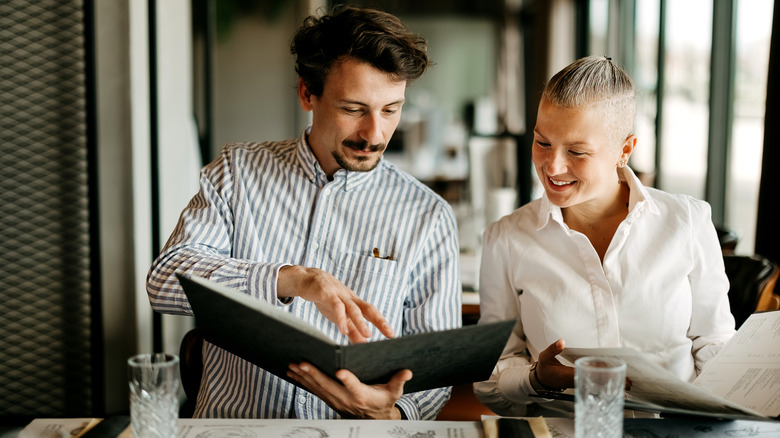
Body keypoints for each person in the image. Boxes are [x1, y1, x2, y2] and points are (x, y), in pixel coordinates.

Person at [146, 5, 461, 420]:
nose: (375, 133)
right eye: (353, 109)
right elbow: (165, 282)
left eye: (390, 109)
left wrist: (394, 414)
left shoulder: (429, 215)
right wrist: (292, 279)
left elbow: (435, 362)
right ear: (307, 94)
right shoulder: (236, 173)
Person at [473, 55, 735, 417]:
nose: (553, 166)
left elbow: (714, 342)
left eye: (577, 152)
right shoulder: (505, 238)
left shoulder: (688, 221)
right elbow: (490, 382)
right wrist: (537, 380)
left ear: (624, 150)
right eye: (542, 142)